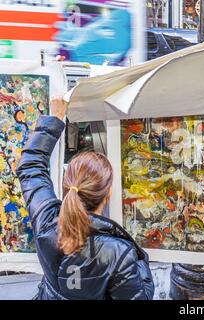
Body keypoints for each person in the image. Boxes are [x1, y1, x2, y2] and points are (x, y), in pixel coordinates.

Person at [16, 98, 154, 300]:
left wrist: (55, 119)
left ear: (67, 186)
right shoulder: (119, 253)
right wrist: (141, 265)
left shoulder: (47, 223)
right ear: (108, 195)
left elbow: (30, 167)